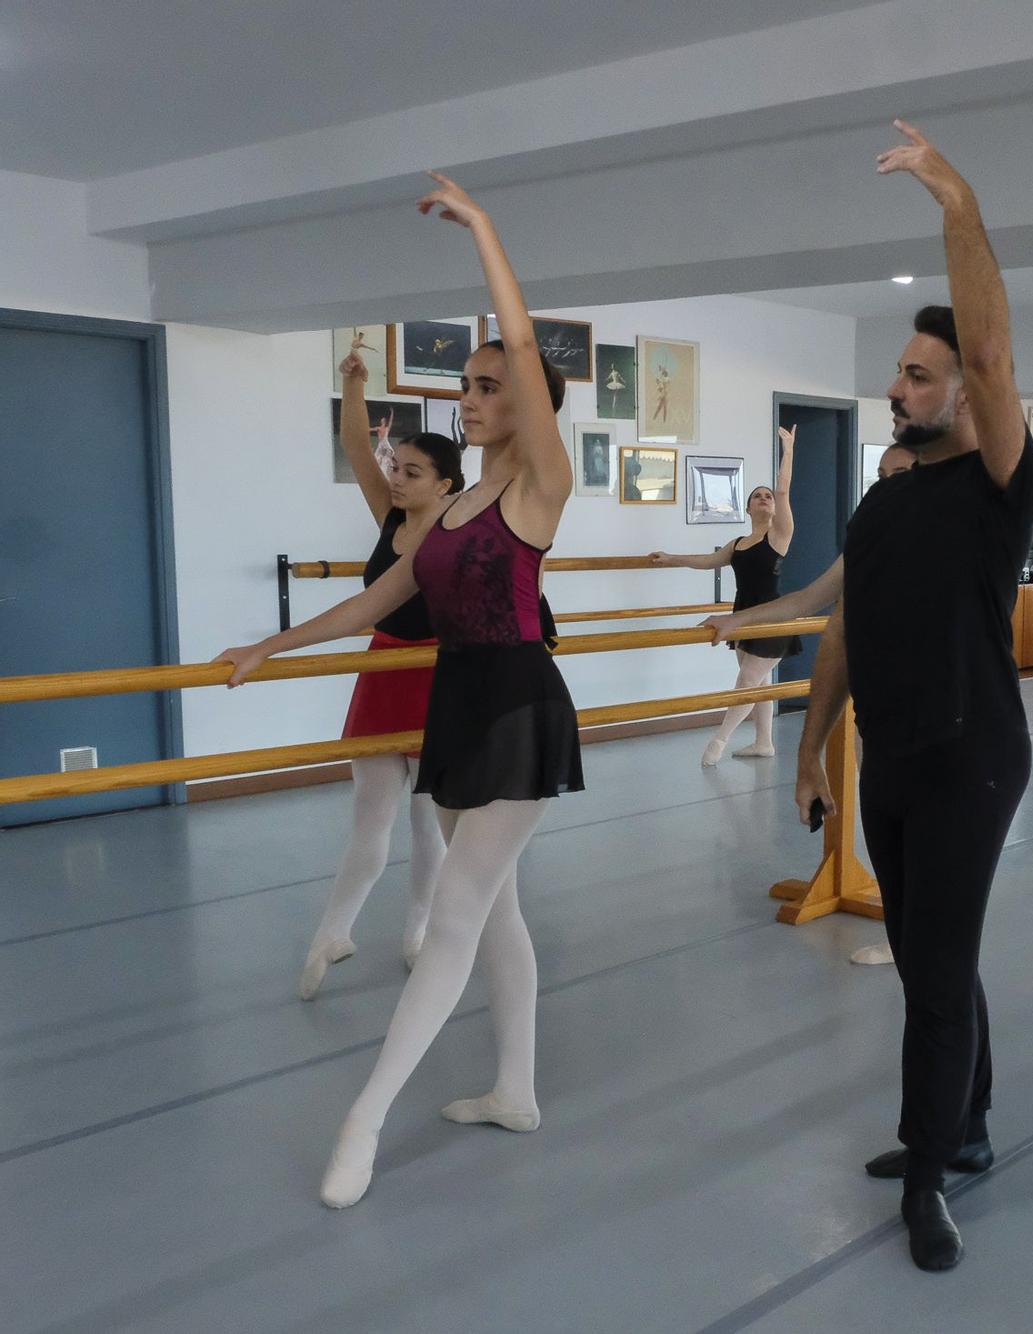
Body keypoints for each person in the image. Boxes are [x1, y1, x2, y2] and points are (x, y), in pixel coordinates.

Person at [218, 173, 583, 1209]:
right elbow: (380, 593)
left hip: (517, 703)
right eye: (462, 382)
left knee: (460, 912)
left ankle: (363, 1116)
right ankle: (514, 1087)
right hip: (459, 700)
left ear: (531, 402)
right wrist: (272, 644)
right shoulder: (457, 497)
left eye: (486, 381)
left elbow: (523, 349)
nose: (467, 394)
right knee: (498, 905)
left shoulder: (535, 484)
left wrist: (486, 232)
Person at [788, 120, 1033, 1272]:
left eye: (918, 372)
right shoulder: (886, 498)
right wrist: (811, 749)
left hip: (971, 753)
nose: (898, 386)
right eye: (898, 370)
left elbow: (989, 353)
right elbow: (845, 627)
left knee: (931, 974)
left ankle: (931, 1167)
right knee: (938, 952)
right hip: (890, 754)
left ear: (965, 392)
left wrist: (956, 203)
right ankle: (968, 1124)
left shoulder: (999, 489)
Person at [703, 443, 916, 967]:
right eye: (882, 474)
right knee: (885, 824)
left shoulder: (942, 540)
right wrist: (737, 622)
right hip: (876, 705)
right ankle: (903, 931)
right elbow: (811, 599)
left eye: (903, 473)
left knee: (923, 832)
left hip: (928, 709)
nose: (889, 483)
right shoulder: (867, 541)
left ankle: (921, 938)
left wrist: (790, 454)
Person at [296, 341, 461, 1001]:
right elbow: (359, 450)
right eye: (400, 467)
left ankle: (417, 929)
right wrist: (355, 385)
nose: (397, 477)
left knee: (427, 822)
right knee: (370, 817)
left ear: (446, 484)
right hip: (385, 668)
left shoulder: (457, 532)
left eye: (413, 472)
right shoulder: (389, 515)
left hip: (438, 676)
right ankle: (332, 931)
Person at [650, 426, 799, 765]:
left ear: (774, 509)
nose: (764, 498)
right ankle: (764, 743)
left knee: (747, 680)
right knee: (757, 682)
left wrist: (787, 450)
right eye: (757, 496)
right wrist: (671, 558)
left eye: (768, 497)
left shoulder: (779, 535)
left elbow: (785, 489)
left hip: (773, 617)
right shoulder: (737, 544)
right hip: (742, 614)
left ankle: (718, 740)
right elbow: (707, 561)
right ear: (747, 508)